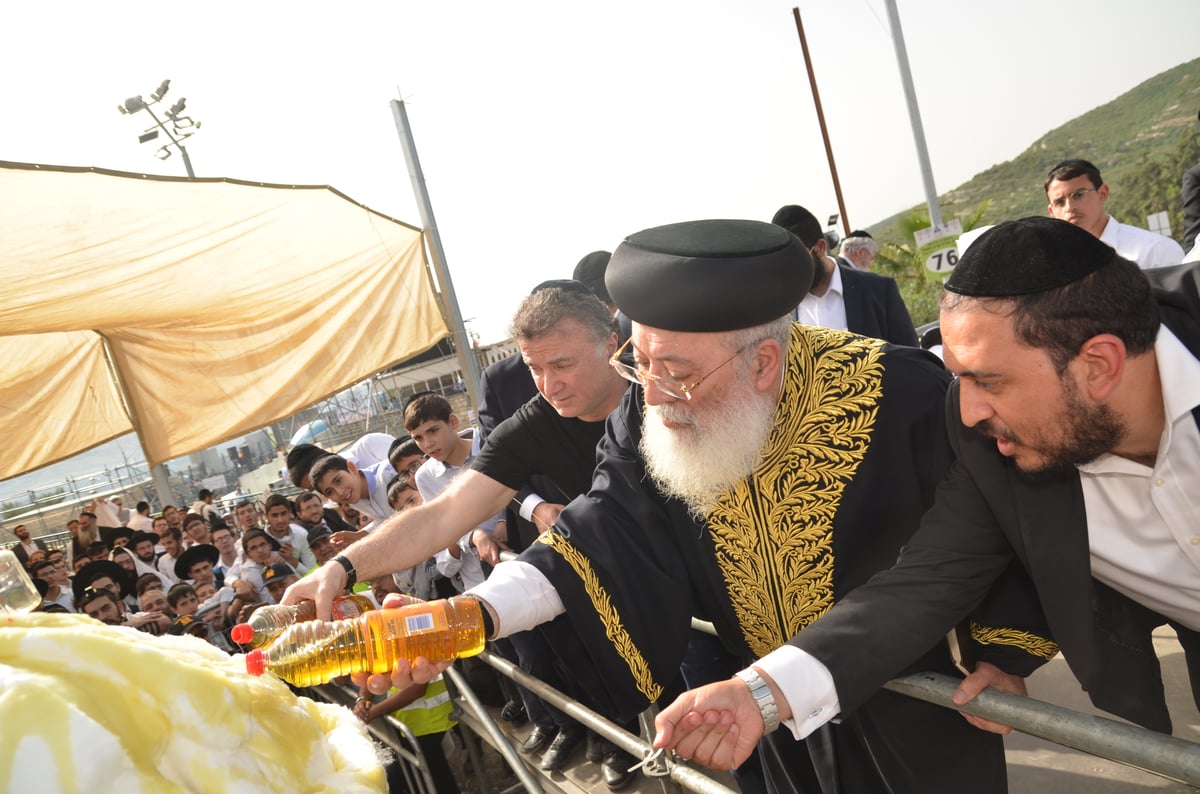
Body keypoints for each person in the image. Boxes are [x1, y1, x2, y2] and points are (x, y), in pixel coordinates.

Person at [288, 219, 1045, 793]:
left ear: (766, 363)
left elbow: (998, 523)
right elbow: (597, 533)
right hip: (750, 717)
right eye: (638, 362)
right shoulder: (647, 414)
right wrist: (464, 620)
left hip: (908, 708)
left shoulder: (904, 396)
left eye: (673, 371)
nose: (649, 393)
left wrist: (1004, 655)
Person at [653, 216, 1200, 770]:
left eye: (988, 381)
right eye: (959, 377)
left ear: (1100, 365)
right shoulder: (988, 436)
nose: (967, 412)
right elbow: (926, 577)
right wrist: (759, 695)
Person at [772, 204, 919, 346]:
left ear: (820, 247)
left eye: (795, 260)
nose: (789, 269)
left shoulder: (879, 291)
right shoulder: (782, 310)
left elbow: (911, 357)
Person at [1045, 158, 1184, 268]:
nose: (1069, 207)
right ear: (1051, 211)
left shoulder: (1154, 251)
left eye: (1078, 195)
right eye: (1059, 202)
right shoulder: (1056, 265)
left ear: (1102, 193)